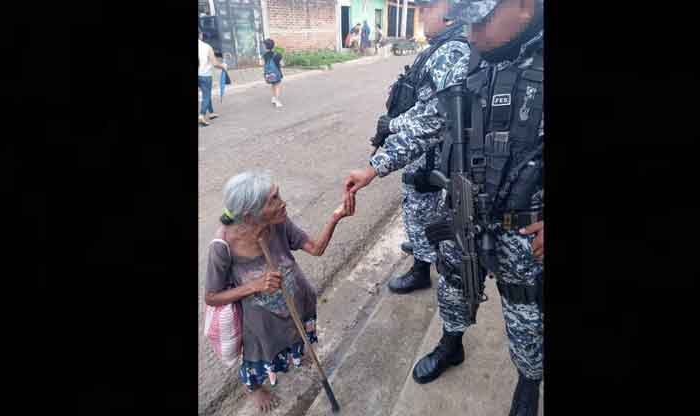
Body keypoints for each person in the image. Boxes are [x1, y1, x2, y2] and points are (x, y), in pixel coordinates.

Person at [347, 0, 545, 414]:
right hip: (462, 215)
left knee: (526, 317)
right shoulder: (472, 60)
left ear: (524, 7)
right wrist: (374, 167)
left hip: (525, 233)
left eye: (482, 22)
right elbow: (430, 119)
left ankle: (528, 386)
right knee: (454, 289)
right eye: (466, 24)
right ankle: (452, 345)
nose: (471, 36)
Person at [205, 171, 355, 413]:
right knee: (261, 357)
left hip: (296, 302)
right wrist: (255, 286)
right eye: (273, 199)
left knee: (299, 337)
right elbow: (211, 297)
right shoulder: (223, 247)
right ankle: (254, 388)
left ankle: (297, 355)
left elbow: (315, 248)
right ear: (249, 215)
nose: (282, 202)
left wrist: (336, 217)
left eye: (278, 194)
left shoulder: (278, 223)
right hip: (263, 323)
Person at [366, 0, 469, 295]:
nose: (421, 15)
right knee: (418, 207)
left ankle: (421, 269)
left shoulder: (453, 50)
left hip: (431, 152)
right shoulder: (439, 46)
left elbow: (435, 117)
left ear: (449, 14)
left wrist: (394, 127)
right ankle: (423, 246)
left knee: (421, 205)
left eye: (427, 9)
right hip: (423, 148)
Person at [199, 32, 227, 126]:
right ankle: (201, 116)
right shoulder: (206, 47)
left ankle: (211, 113)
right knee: (206, 95)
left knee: (206, 93)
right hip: (204, 75)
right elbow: (215, 63)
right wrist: (222, 66)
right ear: (200, 35)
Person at [260, 38, 285, 108]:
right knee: (277, 86)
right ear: (273, 46)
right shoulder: (278, 55)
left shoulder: (264, 55)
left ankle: (273, 98)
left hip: (268, 74)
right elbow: (282, 64)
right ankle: (277, 101)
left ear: (265, 47)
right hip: (276, 74)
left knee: (273, 85)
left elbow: (261, 64)